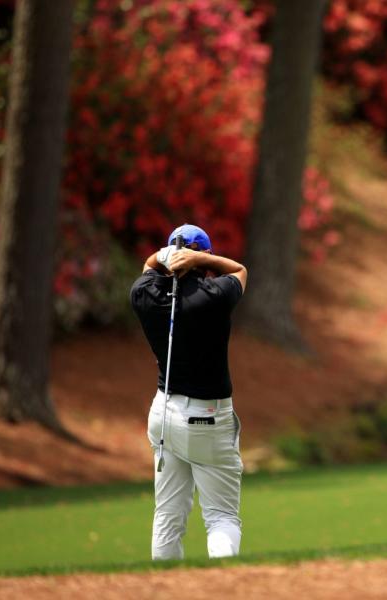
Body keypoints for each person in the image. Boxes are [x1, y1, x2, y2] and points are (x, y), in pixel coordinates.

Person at [129, 223, 248, 560]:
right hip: (209, 420)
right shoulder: (215, 296)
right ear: (203, 257)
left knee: (168, 517)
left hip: (164, 415)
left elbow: (148, 269)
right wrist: (198, 258)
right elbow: (239, 269)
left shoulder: (144, 295)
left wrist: (164, 256)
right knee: (222, 517)